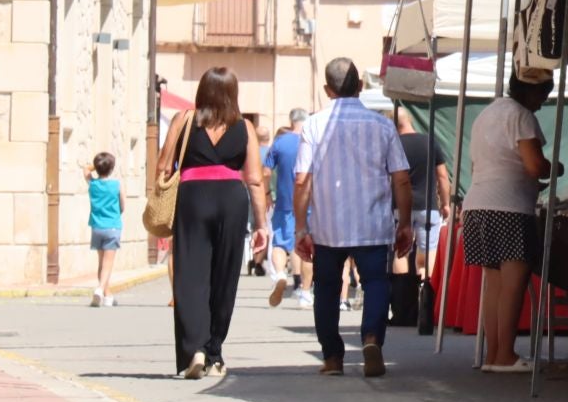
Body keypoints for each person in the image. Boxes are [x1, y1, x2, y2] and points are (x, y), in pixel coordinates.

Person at [292, 59, 413, 378]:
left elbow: (302, 179)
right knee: (376, 284)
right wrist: (405, 224)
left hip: (328, 226)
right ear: (360, 87)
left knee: (327, 289)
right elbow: (401, 178)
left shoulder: (314, 124)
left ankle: (332, 357)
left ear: (327, 90)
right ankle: (372, 338)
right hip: (373, 224)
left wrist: (301, 227)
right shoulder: (383, 125)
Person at [157, 67, 268, 380]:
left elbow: (164, 166)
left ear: (202, 92)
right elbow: (256, 180)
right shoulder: (245, 127)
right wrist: (261, 224)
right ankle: (214, 352)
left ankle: (195, 348)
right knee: (224, 276)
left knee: (190, 275)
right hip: (231, 201)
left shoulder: (183, 120)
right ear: (233, 94)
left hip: (192, 199)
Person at [463, 72, 554, 372]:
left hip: (478, 203)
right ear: (531, 91)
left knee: (494, 284)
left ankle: (493, 355)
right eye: (543, 93)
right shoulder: (521, 115)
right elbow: (533, 165)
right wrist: (554, 167)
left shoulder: (487, 114)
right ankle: (506, 355)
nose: (544, 101)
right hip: (510, 207)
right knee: (514, 282)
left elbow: (486, 163)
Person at [396, 109, 452, 281]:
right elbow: (443, 176)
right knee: (429, 250)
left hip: (398, 206)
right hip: (428, 207)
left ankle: (401, 296)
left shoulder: (394, 144)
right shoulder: (430, 142)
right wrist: (445, 203)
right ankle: (426, 293)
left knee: (401, 253)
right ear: (409, 120)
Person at [264, 109, 309, 308]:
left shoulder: (280, 142)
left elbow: (265, 172)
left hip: (284, 202)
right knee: (308, 247)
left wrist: (266, 194)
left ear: (291, 122)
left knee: (280, 244)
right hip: (308, 203)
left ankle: (281, 273)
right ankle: (305, 293)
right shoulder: (312, 141)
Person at [84, 153, 123, 307]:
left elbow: (85, 169)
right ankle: (100, 289)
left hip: (96, 226)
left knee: (101, 262)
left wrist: (97, 165)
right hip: (112, 225)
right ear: (112, 168)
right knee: (108, 263)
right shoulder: (117, 185)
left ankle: (108, 296)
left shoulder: (93, 184)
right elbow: (123, 205)